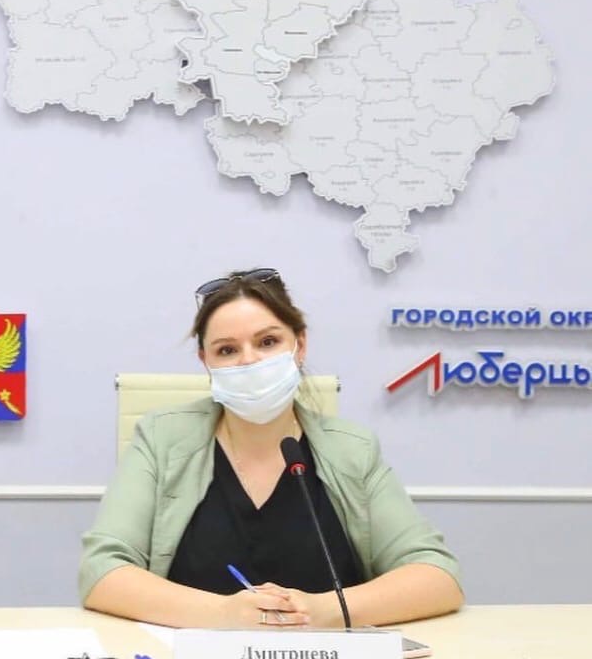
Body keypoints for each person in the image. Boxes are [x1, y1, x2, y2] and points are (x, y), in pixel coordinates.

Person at [79, 268, 463, 629]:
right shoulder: (161, 439)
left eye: (267, 342)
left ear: (300, 345)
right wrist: (223, 614)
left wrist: (322, 611)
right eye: (227, 350)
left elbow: (438, 577)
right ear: (206, 362)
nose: (249, 360)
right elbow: (102, 571)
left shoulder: (353, 450)